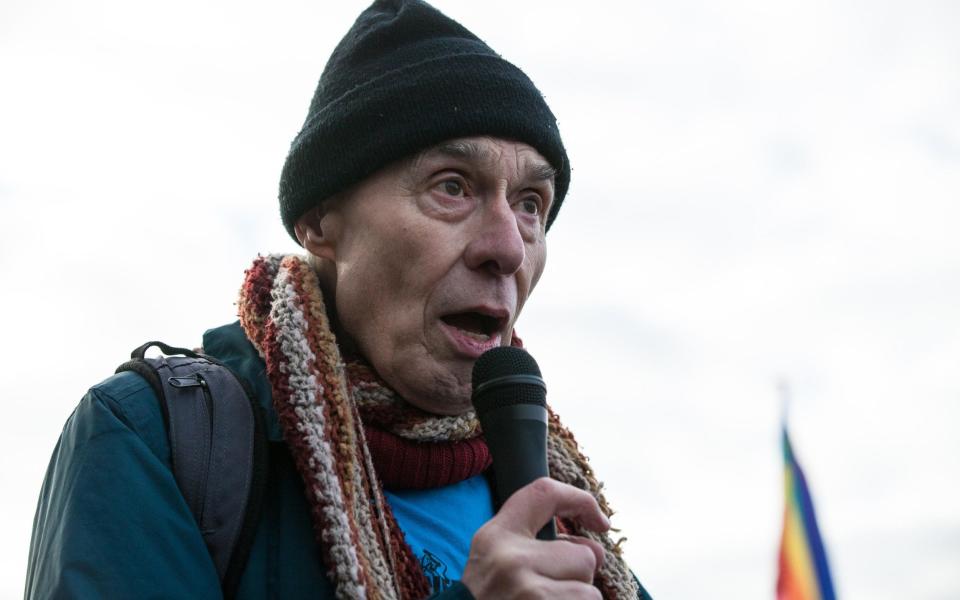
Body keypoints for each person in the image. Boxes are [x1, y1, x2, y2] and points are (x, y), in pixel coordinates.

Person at [25, 1, 652, 598]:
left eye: (530, 205)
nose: (508, 248)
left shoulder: (565, 519)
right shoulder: (153, 439)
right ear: (321, 222)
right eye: (453, 187)